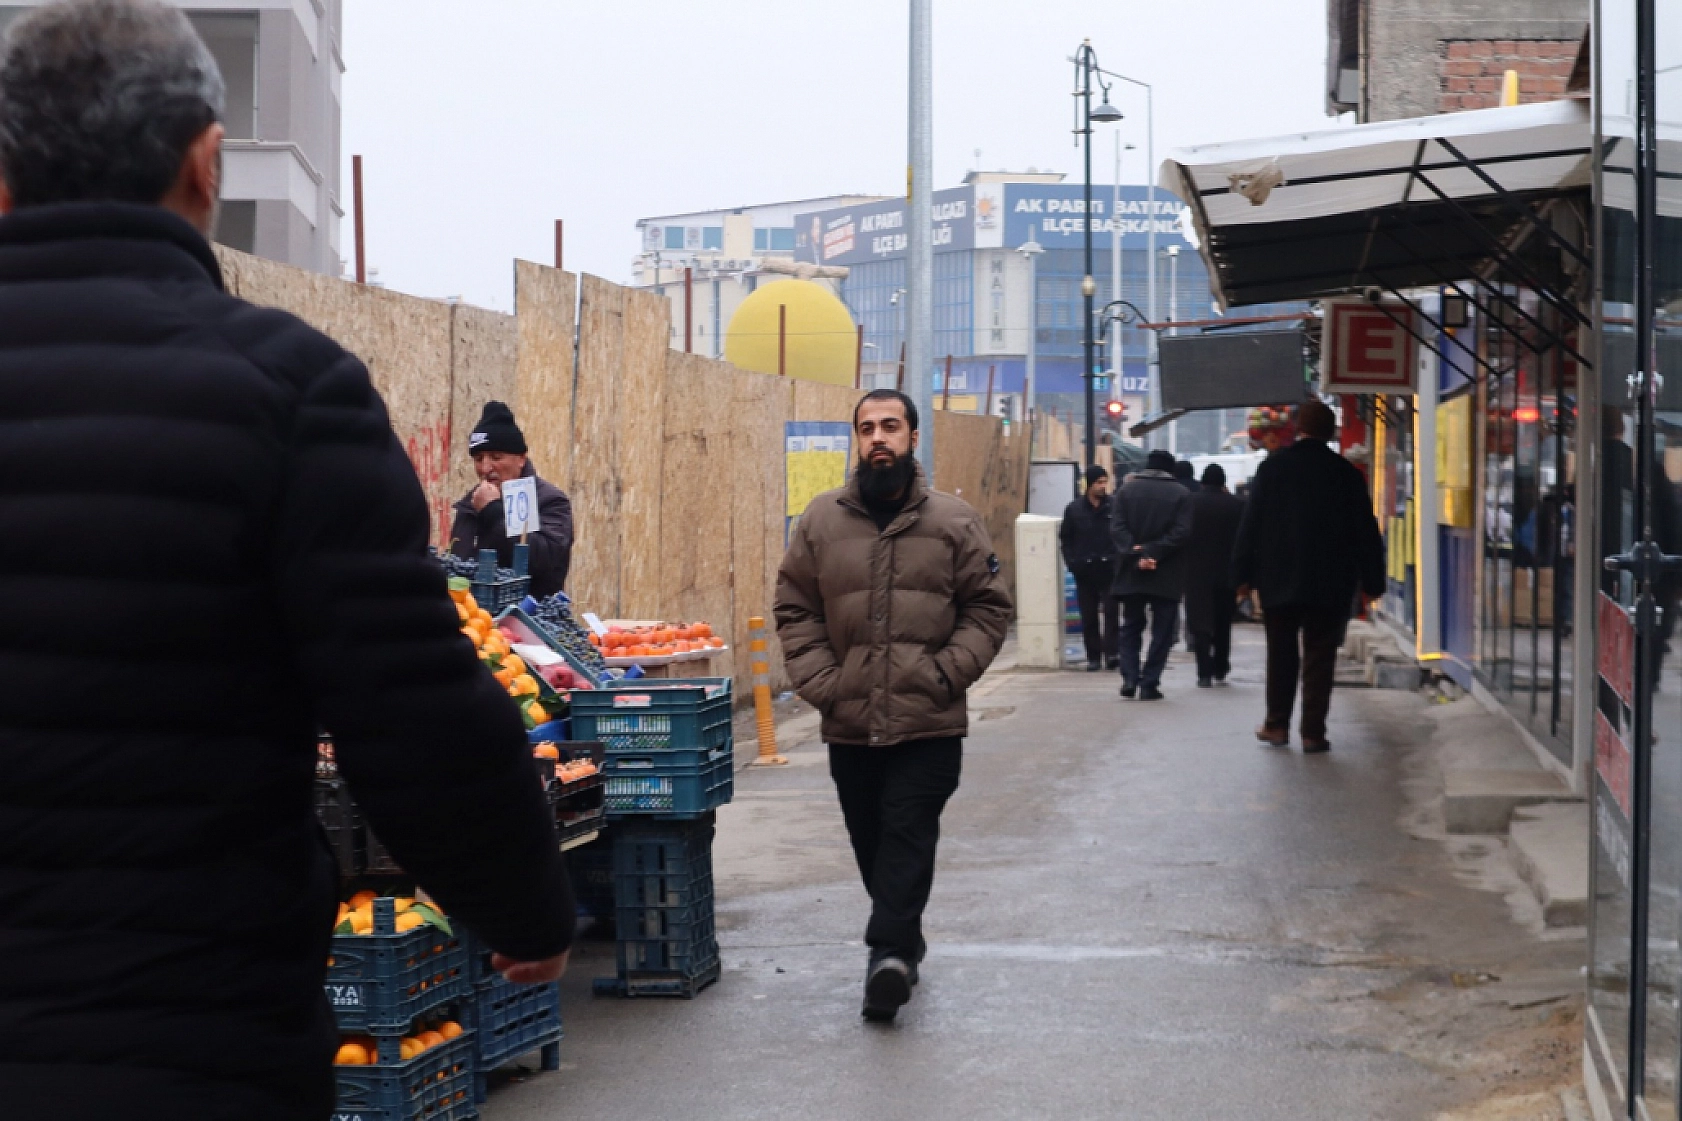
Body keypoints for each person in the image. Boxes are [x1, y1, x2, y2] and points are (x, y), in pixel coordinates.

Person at [0, 4, 574, 1116]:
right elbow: (409, 705)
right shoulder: (287, 389)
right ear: (206, 165)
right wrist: (525, 905)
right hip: (194, 1036)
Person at [775, 388, 1011, 1023]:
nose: (878, 438)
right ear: (856, 441)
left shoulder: (953, 521)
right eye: (866, 428)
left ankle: (888, 958)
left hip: (929, 720)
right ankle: (904, 934)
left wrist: (944, 674)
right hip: (849, 720)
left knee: (907, 831)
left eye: (890, 427)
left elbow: (988, 607)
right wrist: (825, 683)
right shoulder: (821, 521)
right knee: (871, 841)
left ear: (911, 438)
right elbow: (794, 608)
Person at [1233, 399, 1385, 753]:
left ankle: (1276, 725)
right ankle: (1313, 732)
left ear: (1298, 428)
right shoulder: (1346, 473)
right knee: (1321, 655)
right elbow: (1366, 531)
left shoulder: (1273, 469)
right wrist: (1372, 582)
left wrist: (1241, 575)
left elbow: (1250, 525)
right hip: (1331, 581)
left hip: (1279, 578)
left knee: (1281, 652)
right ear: (1330, 431)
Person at [450, 400, 574, 597]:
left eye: (496, 457)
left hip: (528, 620)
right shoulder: (470, 504)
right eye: (478, 459)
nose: (485, 468)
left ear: (521, 459)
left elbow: (545, 562)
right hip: (475, 621)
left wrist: (493, 512)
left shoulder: (550, 501)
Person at [1111, 448, 1194, 700]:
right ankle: (1149, 683)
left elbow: (1117, 528)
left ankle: (1129, 677)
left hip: (1132, 570)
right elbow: (1182, 532)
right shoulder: (1182, 494)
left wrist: (1137, 552)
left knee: (1131, 627)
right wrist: (1154, 553)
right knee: (1163, 631)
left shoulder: (1126, 491)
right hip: (1166, 572)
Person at [1183, 464, 1245, 687]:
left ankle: (1203, 672)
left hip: (1196, 572)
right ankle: (1221, 664)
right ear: (1223, 482)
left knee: (1200, 622)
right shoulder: (1236, 505)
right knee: (1223, 621)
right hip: (1227, 572)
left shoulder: (1190, 503)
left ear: (1203, 481)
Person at [1060, 464, 1120, 671]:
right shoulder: (1074, 509)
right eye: (1099, 483)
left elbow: (1122, 534)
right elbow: (1065, 539)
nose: (1103, 486)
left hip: (1109, 568)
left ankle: (1112, 653)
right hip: (1085, 570)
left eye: (1105, 482)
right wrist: (1072, 562)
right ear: (1089, 485)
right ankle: (1093, 656)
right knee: (1089, 615)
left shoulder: (1114, 506)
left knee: (1112, 613)